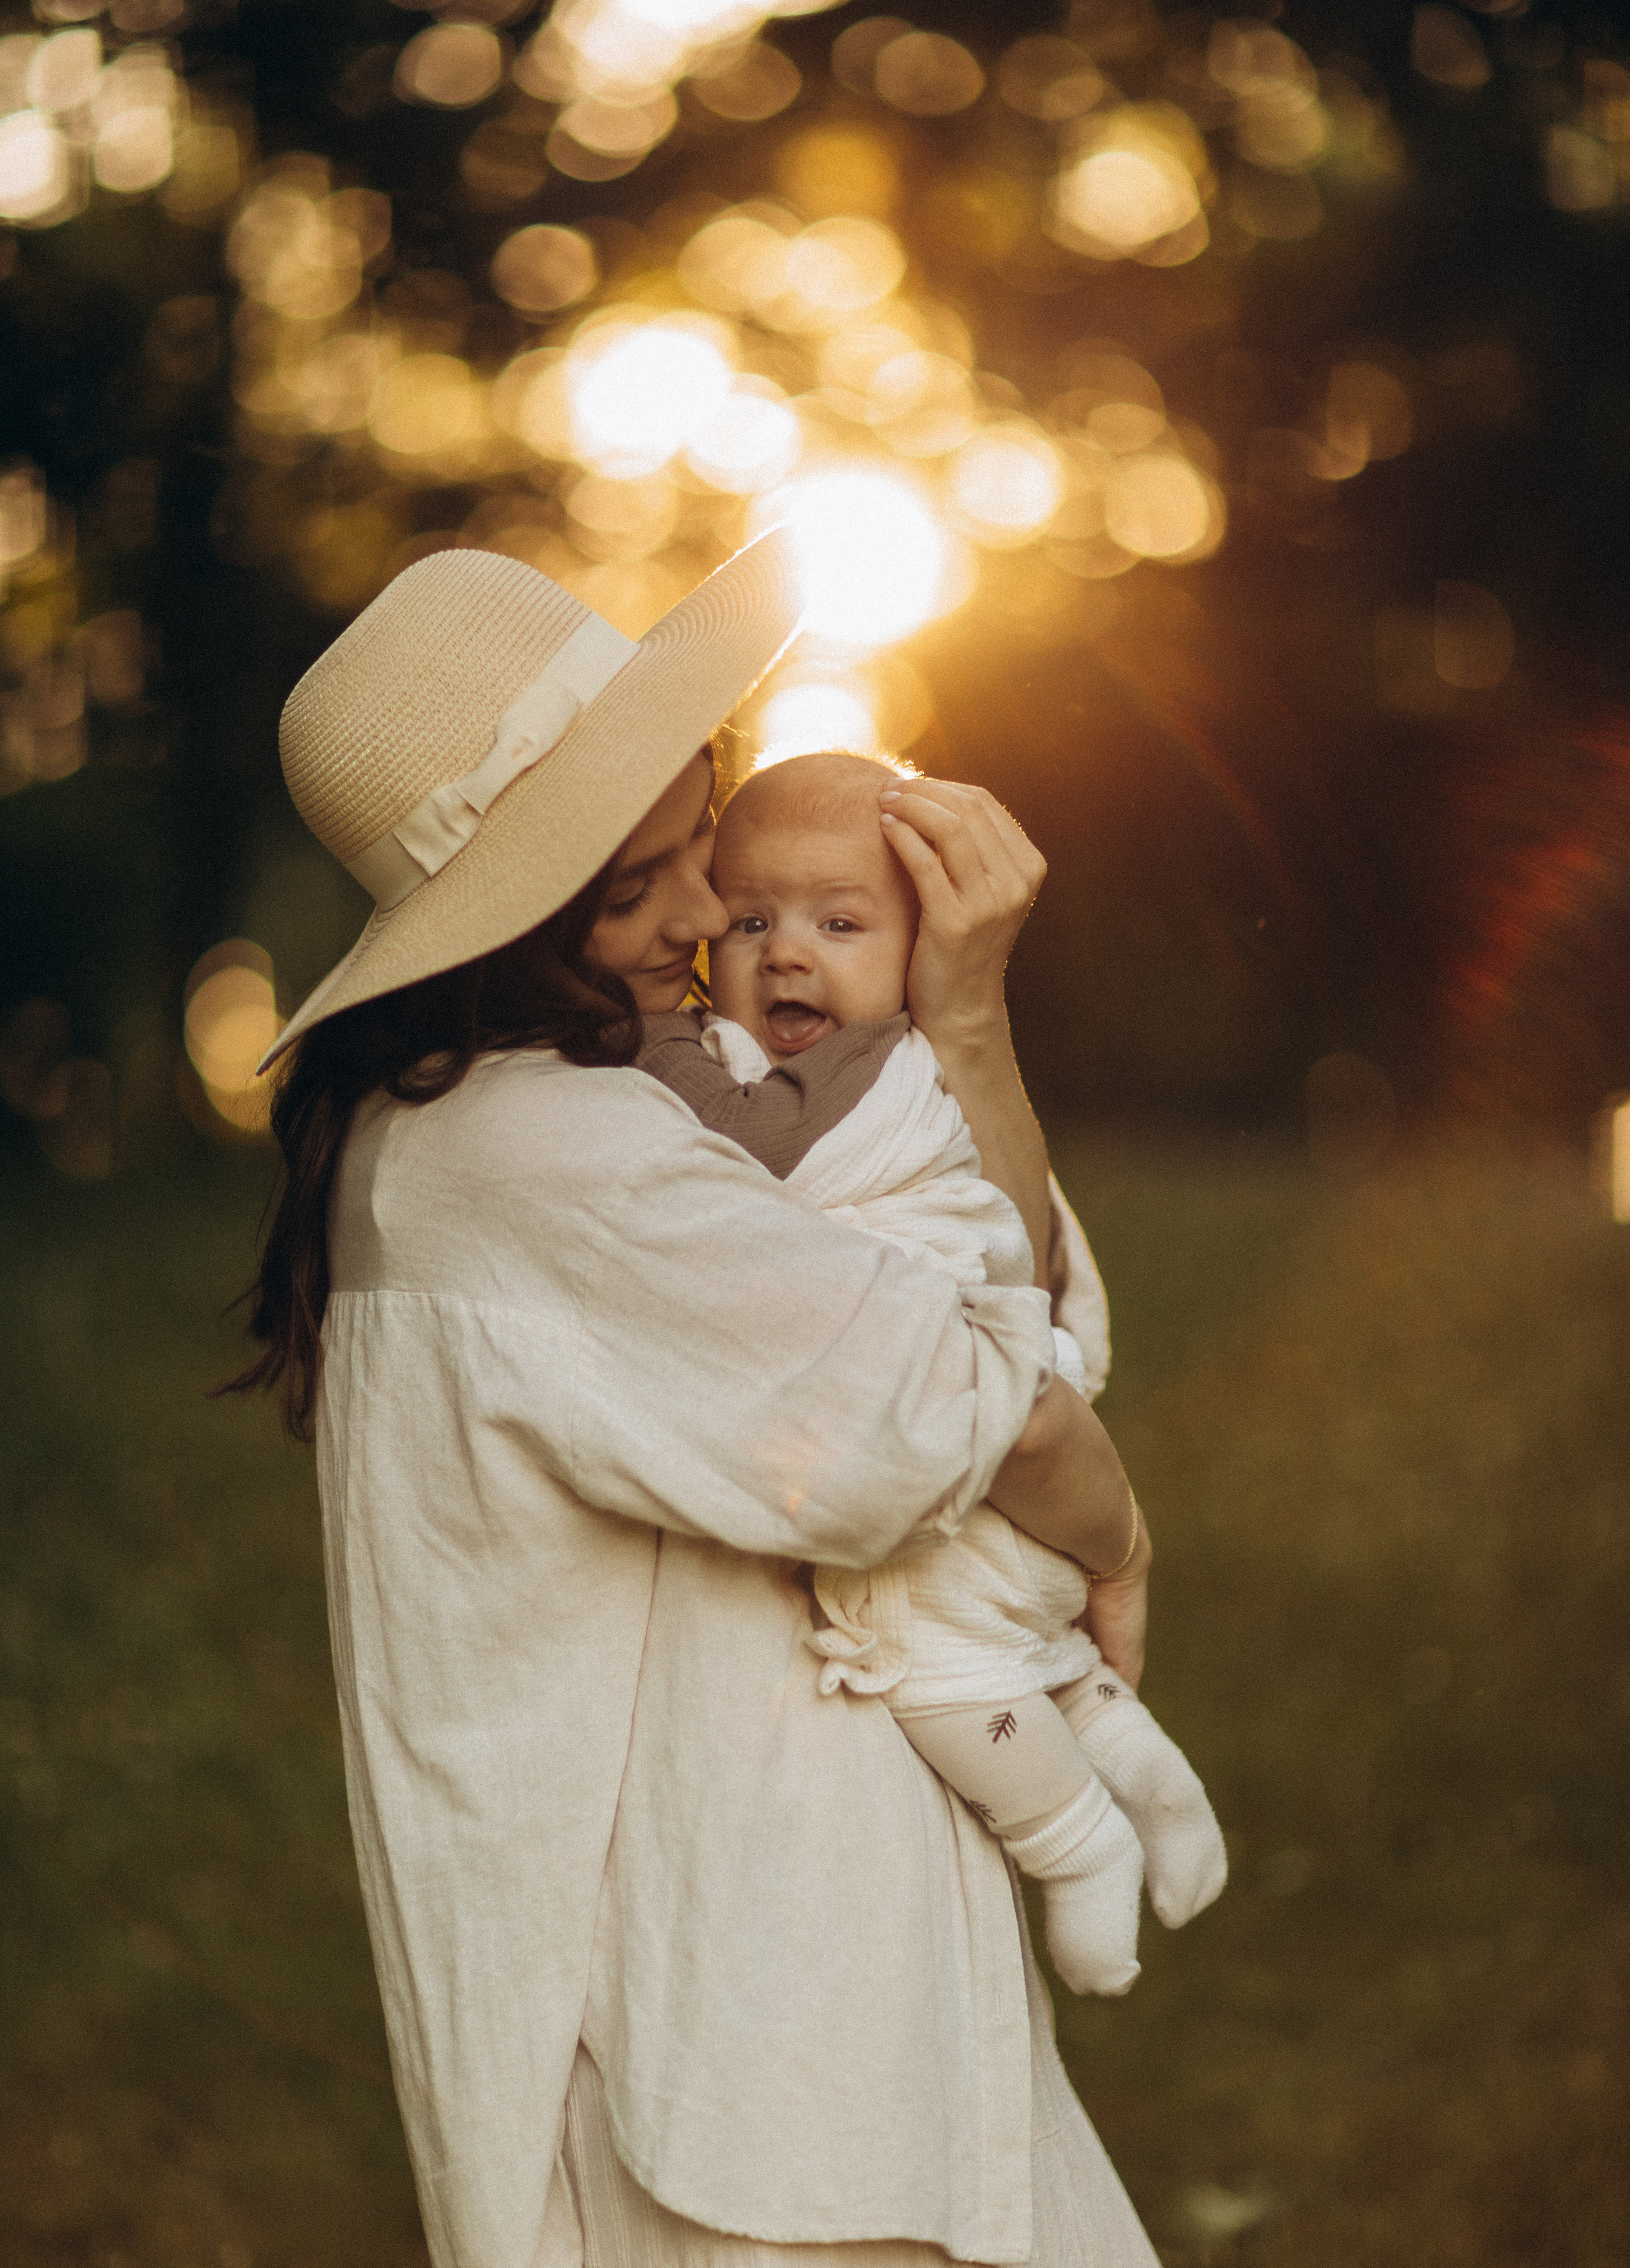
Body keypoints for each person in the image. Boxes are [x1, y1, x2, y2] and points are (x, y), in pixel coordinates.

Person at [229, 532, 1164, 2268]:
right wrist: (1116, 1543)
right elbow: (987, 1393)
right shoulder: (553, 1156)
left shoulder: (519, 1113)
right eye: (626, 884)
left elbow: (996, 1299)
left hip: (760, 1972)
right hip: (743, 2035)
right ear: (505, 917)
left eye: (695, 832)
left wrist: (959, 1033)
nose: (698, 915)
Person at [635, 750, 1226, 2003]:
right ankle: (1144, 1773)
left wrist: (646, 1039)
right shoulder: (839, 1063)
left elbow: (762, 1154)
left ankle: (1076, 1841)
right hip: (999, 1456)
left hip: (959, 1462)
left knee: (953, 1677)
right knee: (1049, 1665)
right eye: (750, 922)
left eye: (839, 924)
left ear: (921, 946)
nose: (786, 956)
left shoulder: (857, 1079)